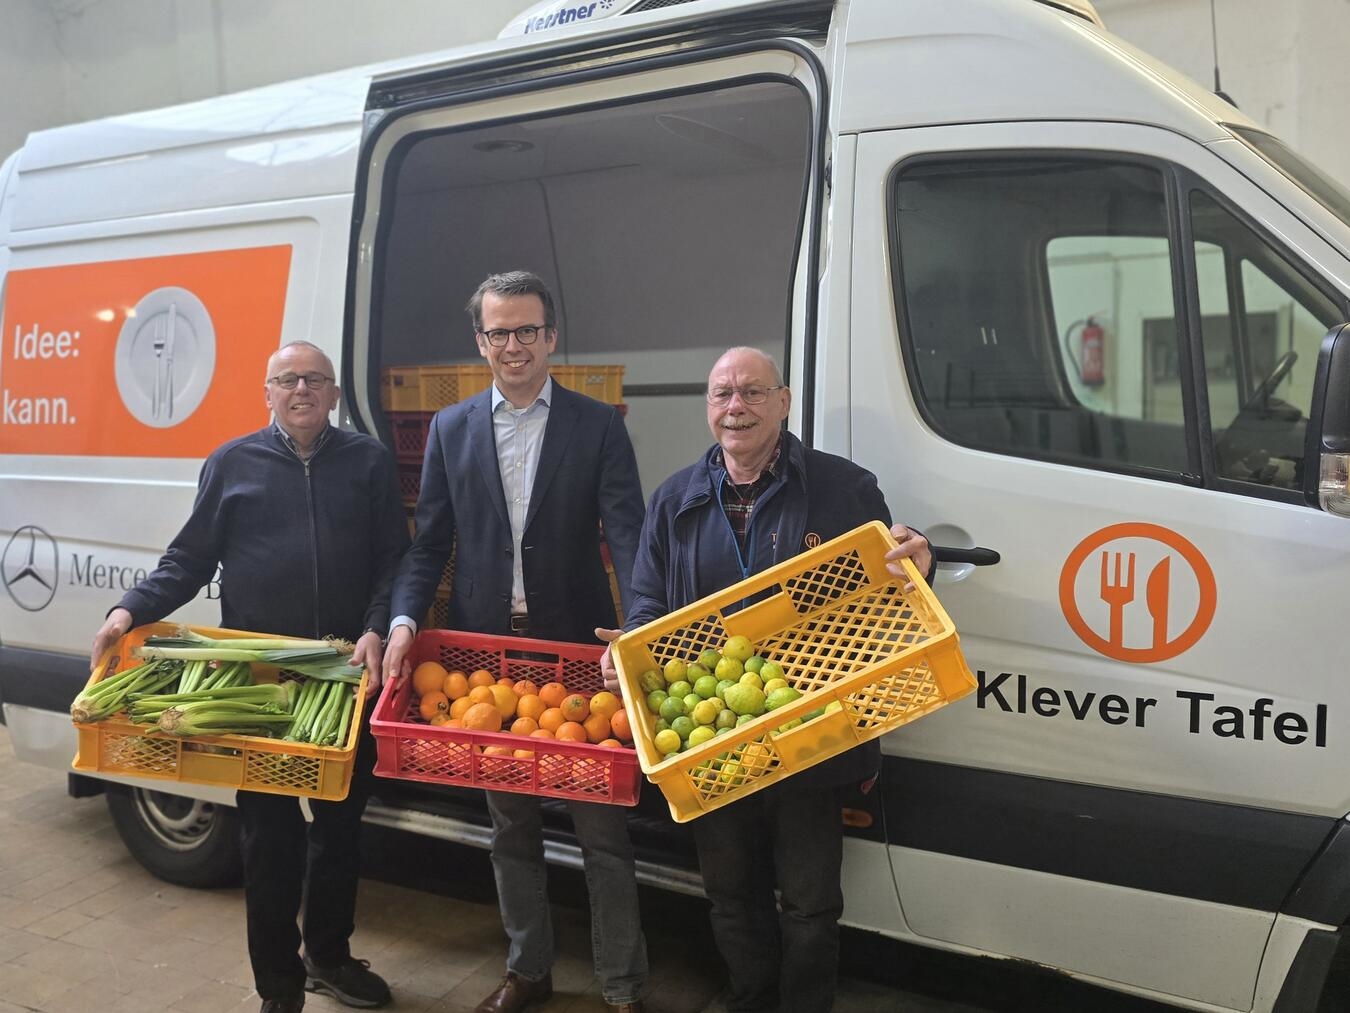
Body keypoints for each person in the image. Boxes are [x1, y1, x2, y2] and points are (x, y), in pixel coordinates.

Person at [599, 346, 932, 1013]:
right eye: (722, 394)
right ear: (708, 408)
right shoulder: (674, 501)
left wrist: (919, 551)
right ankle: (751, 996)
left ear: (783, 402)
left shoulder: (843, 488)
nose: (735, 407)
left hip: (813, 730)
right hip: (714, 739)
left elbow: (888, 579)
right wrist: (625, 652)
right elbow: (645, 606)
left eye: (751, 392)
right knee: (729, 890)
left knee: (810, 901)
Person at [89, 341, 408, 1013]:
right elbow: (189, 557)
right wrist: (128, 610)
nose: (301, 389)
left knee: (342, 828)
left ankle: (329, 953)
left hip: (346, 676)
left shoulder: (369, 462)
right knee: (268, 839)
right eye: (287, 379)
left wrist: (378, 625)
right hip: (259, 683)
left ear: (334, 395)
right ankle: (278, 984)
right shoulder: (233, 463)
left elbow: (392, 558)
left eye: (315, 379)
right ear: (266, 392)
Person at [382, 271, 649, 1013]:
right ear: (480, 341)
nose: (513, 345)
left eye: (526, 330)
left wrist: (640, 623)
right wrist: (405, 620)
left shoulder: (597, 427)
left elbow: (627, 534)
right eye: (498, 332)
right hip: (486, 661)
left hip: (579, 653)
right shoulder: (453, 428)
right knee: (510, 827)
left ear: (551, 337)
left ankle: (623, 985)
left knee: (604, 829)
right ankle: (528, 968)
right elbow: (429, 543)